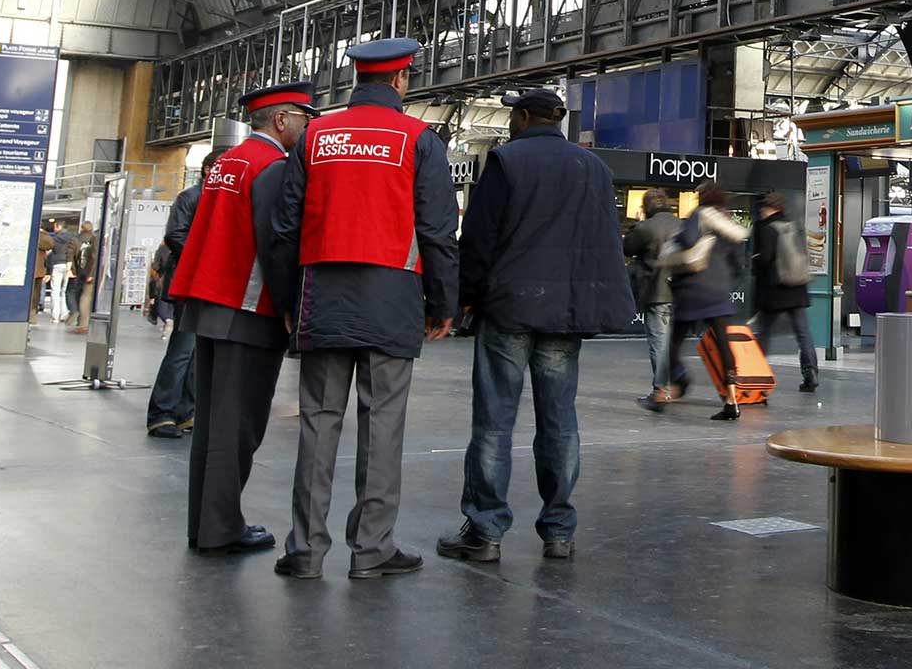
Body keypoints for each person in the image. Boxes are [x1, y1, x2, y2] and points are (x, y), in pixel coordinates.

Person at [273, 38, 457, 581]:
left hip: (322, 296)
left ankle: (305, 550)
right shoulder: (419, 139)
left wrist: (289, 302)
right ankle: (372, 550)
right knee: (382, 424)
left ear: (358, 78)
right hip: (392, 297)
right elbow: (438, 231)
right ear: (402, 81)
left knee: (318, 422)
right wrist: (444, 303)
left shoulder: (315, 135)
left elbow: (286, 228)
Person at [438, 87, 635, 565]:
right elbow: (603, 244)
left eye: (513, 117)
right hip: (564, 312)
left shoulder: (506, 162)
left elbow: (480, 238)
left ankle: (485, 532)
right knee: (560, 422)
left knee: (494, 421)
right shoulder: (595, 168)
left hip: (510, 307)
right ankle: (559, 531)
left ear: (524, 118)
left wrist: (462, 299)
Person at [172, 82, 310, 556]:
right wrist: (291, 305)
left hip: (210, 303)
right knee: (239, 426)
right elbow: (277, 242)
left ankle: (204, 523)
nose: (307, 126)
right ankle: (222, 528)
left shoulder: (228, 162)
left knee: (212, 425)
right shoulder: (271, 167)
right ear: (281, 120)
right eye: (303, 117)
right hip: (248, 309)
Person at [663, 183, 748, 421]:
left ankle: (678, 383)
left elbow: (689, 240)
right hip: (719, 290)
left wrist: (677, 237)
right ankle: (732, 401)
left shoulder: (698, 215)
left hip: (693, 288)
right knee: (723, 345)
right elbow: (738, 264)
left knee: (673, 344)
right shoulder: (728, 223)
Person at [146, 176, 203, 439]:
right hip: (189, 283)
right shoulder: (191, 197)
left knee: (193, 352)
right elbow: (175, 234)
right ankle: (163, 413)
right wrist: (206, 257)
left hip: (199, 283)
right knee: (182, 349)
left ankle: (183, 412)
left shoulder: (203, 196)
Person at [750, 193, 817, 395]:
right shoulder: (793, 225)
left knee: (764, 333)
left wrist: (755, 261)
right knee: (803, 334)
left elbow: (765, 259)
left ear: (770, 208)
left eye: (763, 208)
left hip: (775, 291)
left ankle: (756, 374)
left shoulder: (768, 228)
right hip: (797, 288)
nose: (761, 211)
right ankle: (811, 373)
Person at [626, 189, 685, 409]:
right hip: (680, 291)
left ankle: (661, 389)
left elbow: (627, 247)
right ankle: (677, 382)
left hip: (657, 291)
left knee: (658, 343)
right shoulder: (680, 224)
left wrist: (637, 223)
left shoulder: (646, 227)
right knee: (671, 342)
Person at [66, 220, 97, 334]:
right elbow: (95, 257)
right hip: (90, 273)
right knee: (86, 298)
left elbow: (70, 254)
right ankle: (83, 324)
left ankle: (77, 315)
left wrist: (70, 269)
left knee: (76, 294)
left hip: (79, 272)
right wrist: (92, 274)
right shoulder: (95, 239)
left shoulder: (75, 239)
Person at [30, 221, 56, 323]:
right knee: (35, 294)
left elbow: (50, 244)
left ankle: (32, 315)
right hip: (38, 269)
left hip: (37, 270)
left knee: (35, 294)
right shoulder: (42, 237)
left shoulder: (39, 236)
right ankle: (32, 315)